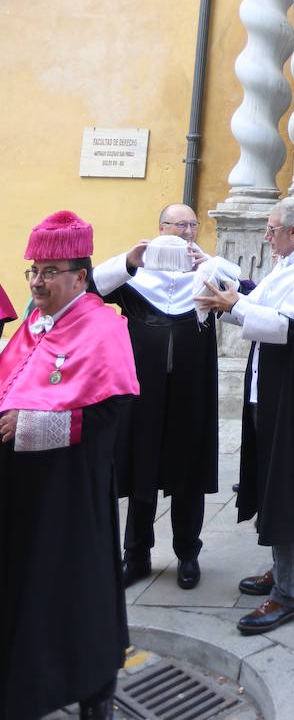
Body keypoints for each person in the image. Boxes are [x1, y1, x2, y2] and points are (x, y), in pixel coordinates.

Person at [0, 210, 139, 720]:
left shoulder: (104, 326)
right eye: (33, 270)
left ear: (81, 277)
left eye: (48, 272)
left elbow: (110, 410)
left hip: (71, 494)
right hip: (24, 491)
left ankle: (93, 687)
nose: (37, 281)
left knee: (75, 592)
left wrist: (31, 427)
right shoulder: (35, 325)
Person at [199, 198, 294, 634]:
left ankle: (289, 595)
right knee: (272, 479)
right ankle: (282, 571)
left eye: (272, 229)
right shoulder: (293, 259)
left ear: (293, 231)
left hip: (290, 390)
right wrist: (230, 283)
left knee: (286, 485)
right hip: (271, 384)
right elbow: (269, 299)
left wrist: (233, 309)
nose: (266, 236)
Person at [94, 202, 233, 590]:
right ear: (160, 228)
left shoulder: (208, 275)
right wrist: (129, 259)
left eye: (192, 225)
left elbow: (243, 296)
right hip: (144, 391)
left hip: (192, 390)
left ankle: (188, 553)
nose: (186, 232)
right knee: (141, 467)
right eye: (177, 225)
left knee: (187, 469)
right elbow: (90, 287)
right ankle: (135, 554)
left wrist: (212, 264)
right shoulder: (136, 280)